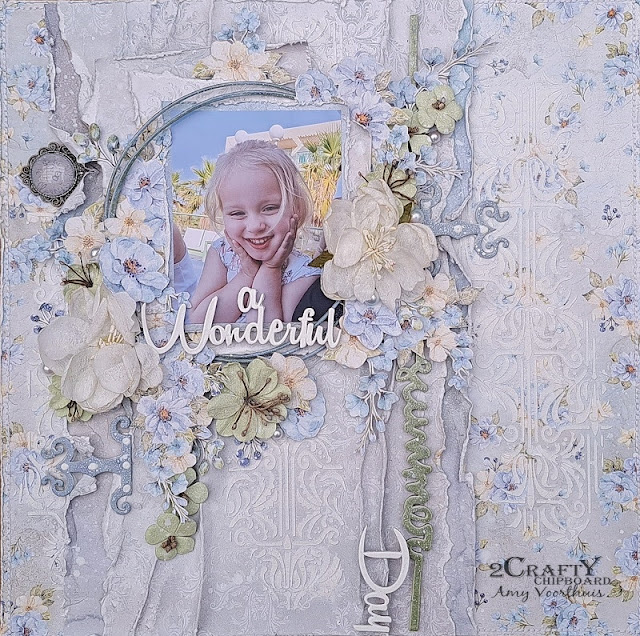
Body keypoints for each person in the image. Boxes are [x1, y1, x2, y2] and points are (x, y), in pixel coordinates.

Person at [172, 140, 324, 324]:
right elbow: (197, 321)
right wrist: (246, 275)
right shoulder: (223, 253)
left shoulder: (303, 273)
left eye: (269, 208)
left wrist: (270, 270)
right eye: (237, 213)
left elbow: (266, 334)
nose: (254, 226)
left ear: (296, 208)